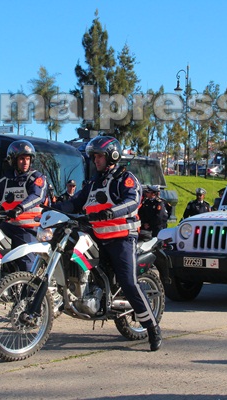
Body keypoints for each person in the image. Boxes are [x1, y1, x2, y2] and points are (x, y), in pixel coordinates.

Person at [53, 135, 162, 352]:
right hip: (97, 237)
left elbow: (133, 200)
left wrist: (111, 211)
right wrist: (54, 209)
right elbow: (76, 201)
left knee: (128, 282)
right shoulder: (93, 182)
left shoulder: (125, 178)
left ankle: (152, 327)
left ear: (112, 155)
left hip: (121, 238)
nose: (96, 160)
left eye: (99, 156)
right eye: (94, 157)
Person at [0, 140, 47, 272]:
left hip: (28, 229)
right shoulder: (5, 181)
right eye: (22, 158)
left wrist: (19, 209)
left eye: (28, 159)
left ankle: (31, 289)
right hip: (8, 226)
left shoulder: (36, 178)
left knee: (26, 264)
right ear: (14, 160)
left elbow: (37, 196)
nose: (25, 162)